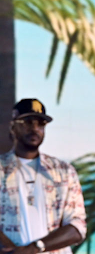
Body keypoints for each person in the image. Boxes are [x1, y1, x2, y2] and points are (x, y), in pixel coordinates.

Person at [0, 99, 86, 254]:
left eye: (40, 124)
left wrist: (34, 248)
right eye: (27, 122)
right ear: (13, 127)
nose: (34, 128)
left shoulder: (64, 171)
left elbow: (78, 227)